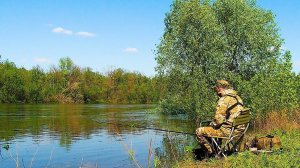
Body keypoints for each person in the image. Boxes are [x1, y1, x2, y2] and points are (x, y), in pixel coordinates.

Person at [196, 80, 245, 155]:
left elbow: (218, 120)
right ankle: (217, 150)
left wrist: (212, 124)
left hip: (229, 131)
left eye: (215, 89)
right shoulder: (237, 98)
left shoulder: (224, 99)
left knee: (199, 131)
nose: (215, 91)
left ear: (219, 88)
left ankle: (210, 153)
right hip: (239, 130)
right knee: (216, 127)